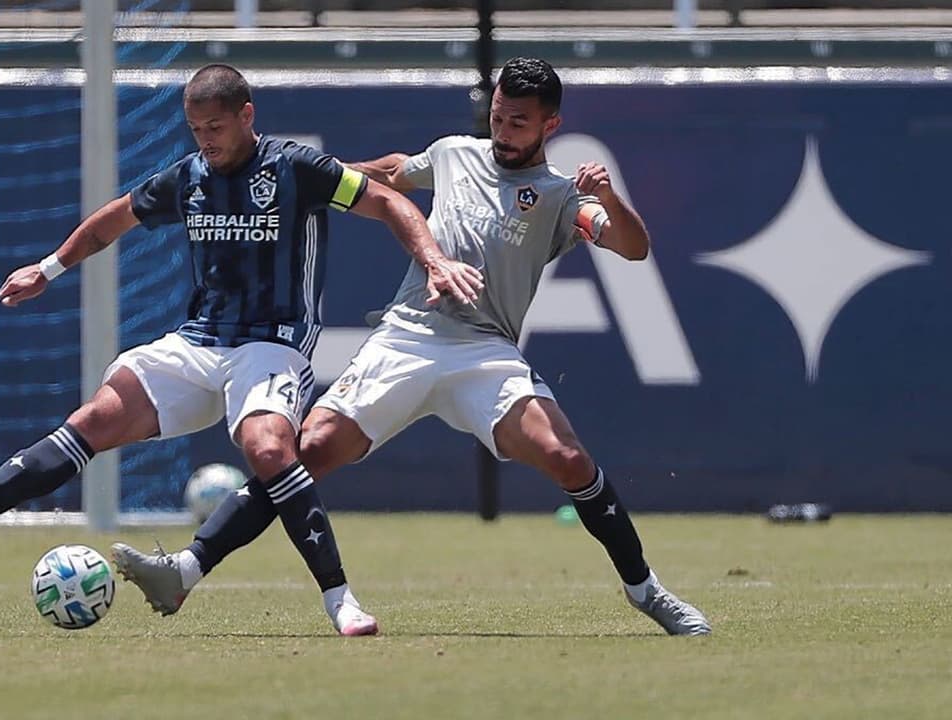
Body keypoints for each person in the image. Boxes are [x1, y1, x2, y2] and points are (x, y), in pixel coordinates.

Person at [113, 57, 711, 636]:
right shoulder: (455, 154)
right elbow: (393, 172)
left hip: (485, 351)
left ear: (550, 126)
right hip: (407, 337)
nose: (502, 133)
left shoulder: (560, 197)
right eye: (498, 117)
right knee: (307, 451)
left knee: (569, 458)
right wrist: (303, 173)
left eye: (518, 123)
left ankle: (646, 591)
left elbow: (633, 248)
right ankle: (184, 572)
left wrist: (608, 199)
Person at [0, 63, 484, 638]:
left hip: (271, 346)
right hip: (199, 341)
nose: (206, 140)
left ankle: (340, 599)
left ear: (246, 115)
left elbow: (387, 201)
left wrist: (433, 260)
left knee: (269, 449)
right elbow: (115, 219)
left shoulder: (296, 167)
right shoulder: (188, 177)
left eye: (216, 128)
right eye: (196, 129)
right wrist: (48, 269)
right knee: (96, 416)